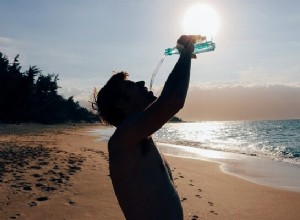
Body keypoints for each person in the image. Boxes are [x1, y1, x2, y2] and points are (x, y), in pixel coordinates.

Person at [96, 35, 197, 220]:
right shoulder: (123, 139)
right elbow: (173, 100)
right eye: (131, 85)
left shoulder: (140, 137)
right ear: (121, 103)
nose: (142, 83)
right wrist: (185, 53)